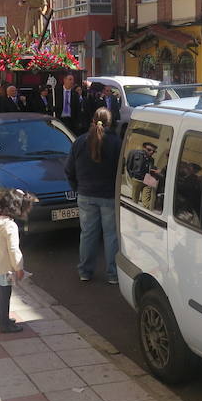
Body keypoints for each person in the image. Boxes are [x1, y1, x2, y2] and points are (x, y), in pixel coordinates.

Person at [65, 108, 122, 283]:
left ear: (92, 120)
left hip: (85, 193)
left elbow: (69, 170)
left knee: (88, 234)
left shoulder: (80, 142)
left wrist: (78, 187)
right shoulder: (116, 143)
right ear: (110, 123)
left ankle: (85, 272)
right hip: (109, 195)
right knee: (111, 235)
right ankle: (113, 274)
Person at [0, 188, 38, 333]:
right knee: (5, 294)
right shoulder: (10, 226)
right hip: (5, 267)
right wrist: (19, 268)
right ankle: (5, 324)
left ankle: (0, 318)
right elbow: (14, 250)